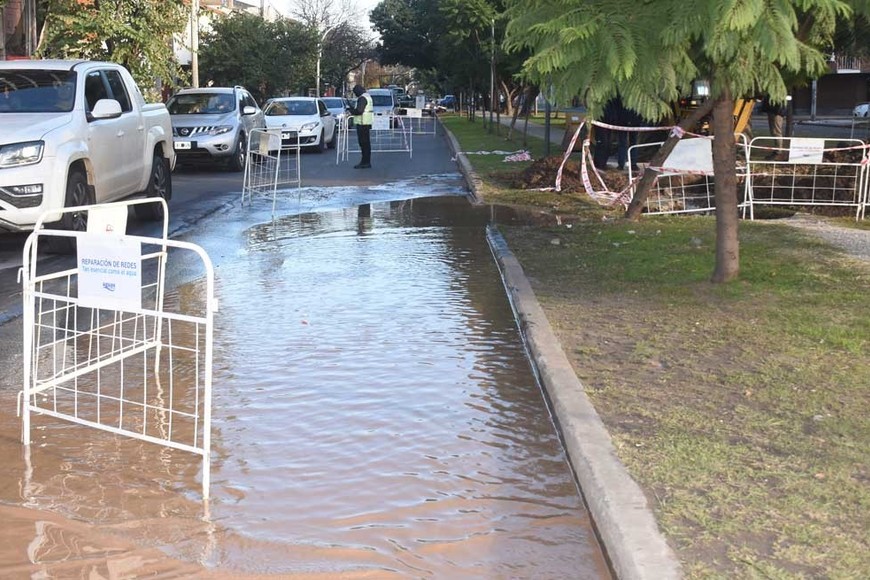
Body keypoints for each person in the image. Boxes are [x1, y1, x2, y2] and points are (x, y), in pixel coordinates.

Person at [346, 84, 373, 169]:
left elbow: (359, 110)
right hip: (366, 122)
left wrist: (351, 111)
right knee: (366, 144)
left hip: (362, 123)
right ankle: (366, 161)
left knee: (364, 144)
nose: (355, 94)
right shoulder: (367, 97)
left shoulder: (362, 98)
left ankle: (365, 162)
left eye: (355, 92)